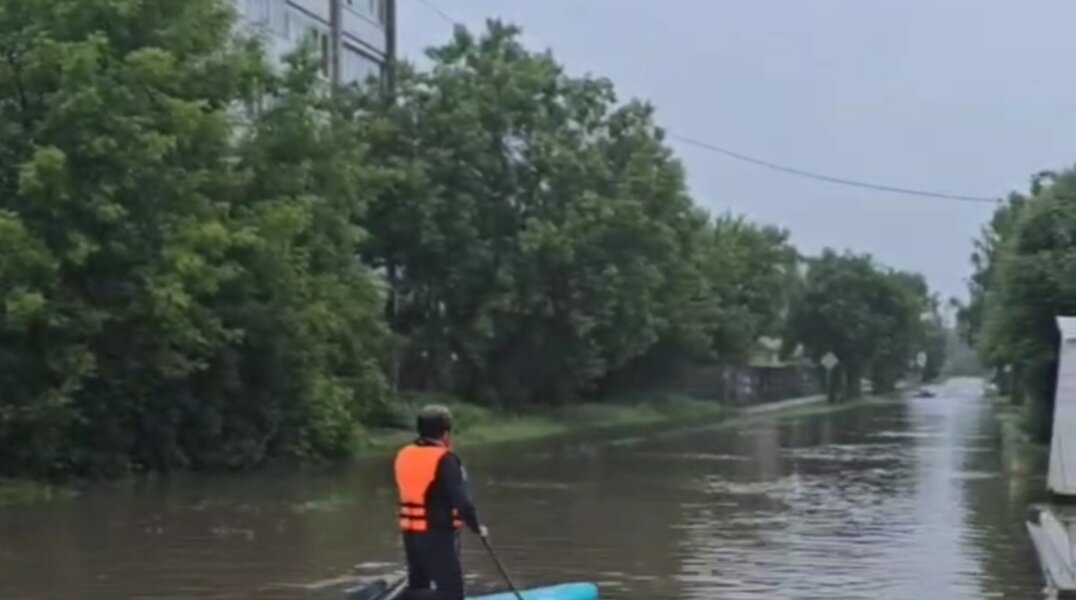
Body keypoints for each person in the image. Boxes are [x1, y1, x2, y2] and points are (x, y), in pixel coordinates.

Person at [394, 404, 487, 600]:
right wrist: (478, 527)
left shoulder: (404, 454)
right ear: (446, 433)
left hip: (410, 533)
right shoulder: (445, 459)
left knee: (418, 584)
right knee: (452, 592)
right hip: (437, 533)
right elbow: (462, 503)